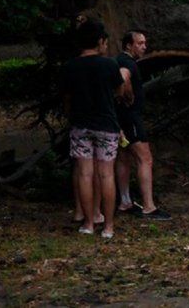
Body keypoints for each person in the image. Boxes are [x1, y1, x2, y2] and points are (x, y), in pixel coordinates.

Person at [61, 20, 125, 238]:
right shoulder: (109, 65)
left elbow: (67, 98)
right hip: (106, 125)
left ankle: (88, 223)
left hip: (80, 126)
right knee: (106, 175)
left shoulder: (70, 67)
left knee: (84, 174)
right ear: (100, 41)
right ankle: (108, 227)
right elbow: (119, 92)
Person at [115, 30, 171, 220]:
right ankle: (148, 206)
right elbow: (123, 78)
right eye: (140, 43)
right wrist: (127, 94)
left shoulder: (120, 60)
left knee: (123, 158)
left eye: (144, 43)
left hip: (122, 118)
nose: (144, 47)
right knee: (145, 159)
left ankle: (125, 201)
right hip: (131, 118)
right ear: (129, 45)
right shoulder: (128, 62)